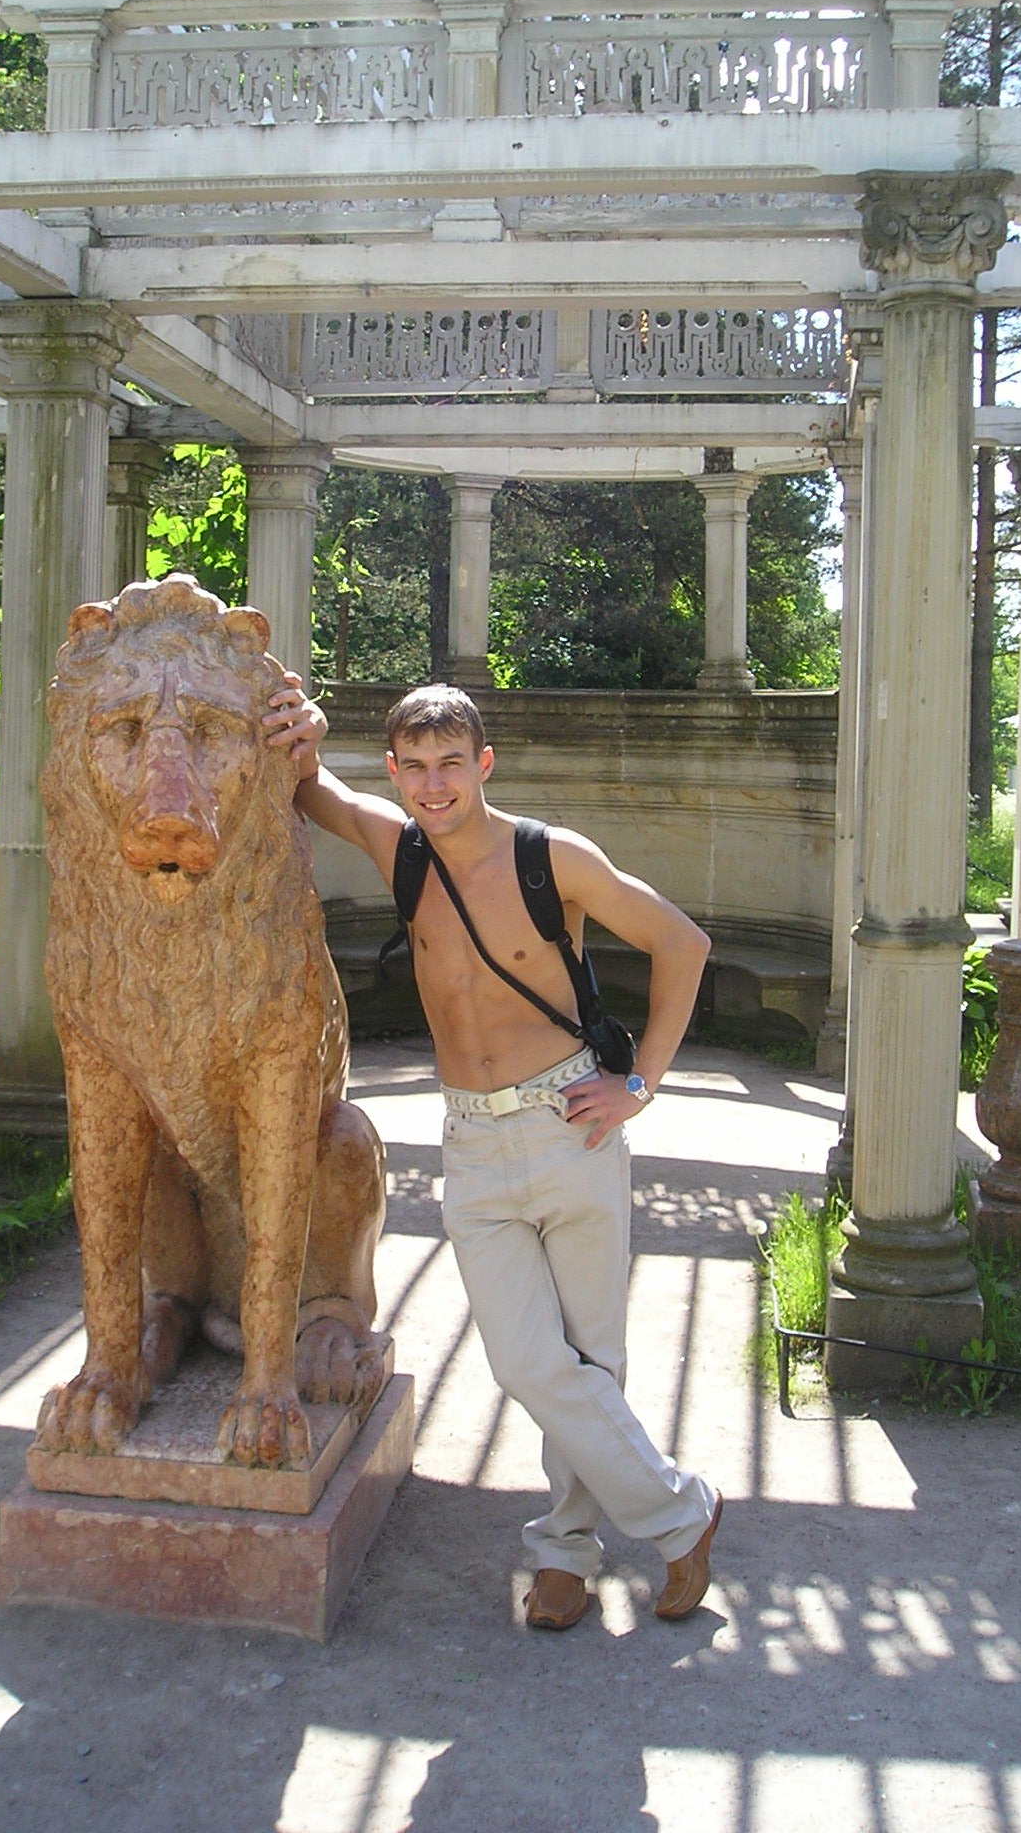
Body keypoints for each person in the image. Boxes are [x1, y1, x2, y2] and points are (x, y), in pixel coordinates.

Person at [265, 679, 721, 1631]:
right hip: (471, 1141)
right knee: (526, 1360)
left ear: (483, 764)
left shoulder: (551, 858)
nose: (434, 786)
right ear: (395, 772)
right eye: (414, 768)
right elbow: (314, 791)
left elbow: (682, 944)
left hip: (569, 1125)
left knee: (589, 1356)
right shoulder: (399, 849)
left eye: (450, 765)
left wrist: (640, 1086)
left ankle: (564, 1551)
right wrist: (303, 726)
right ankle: (683, 1513)